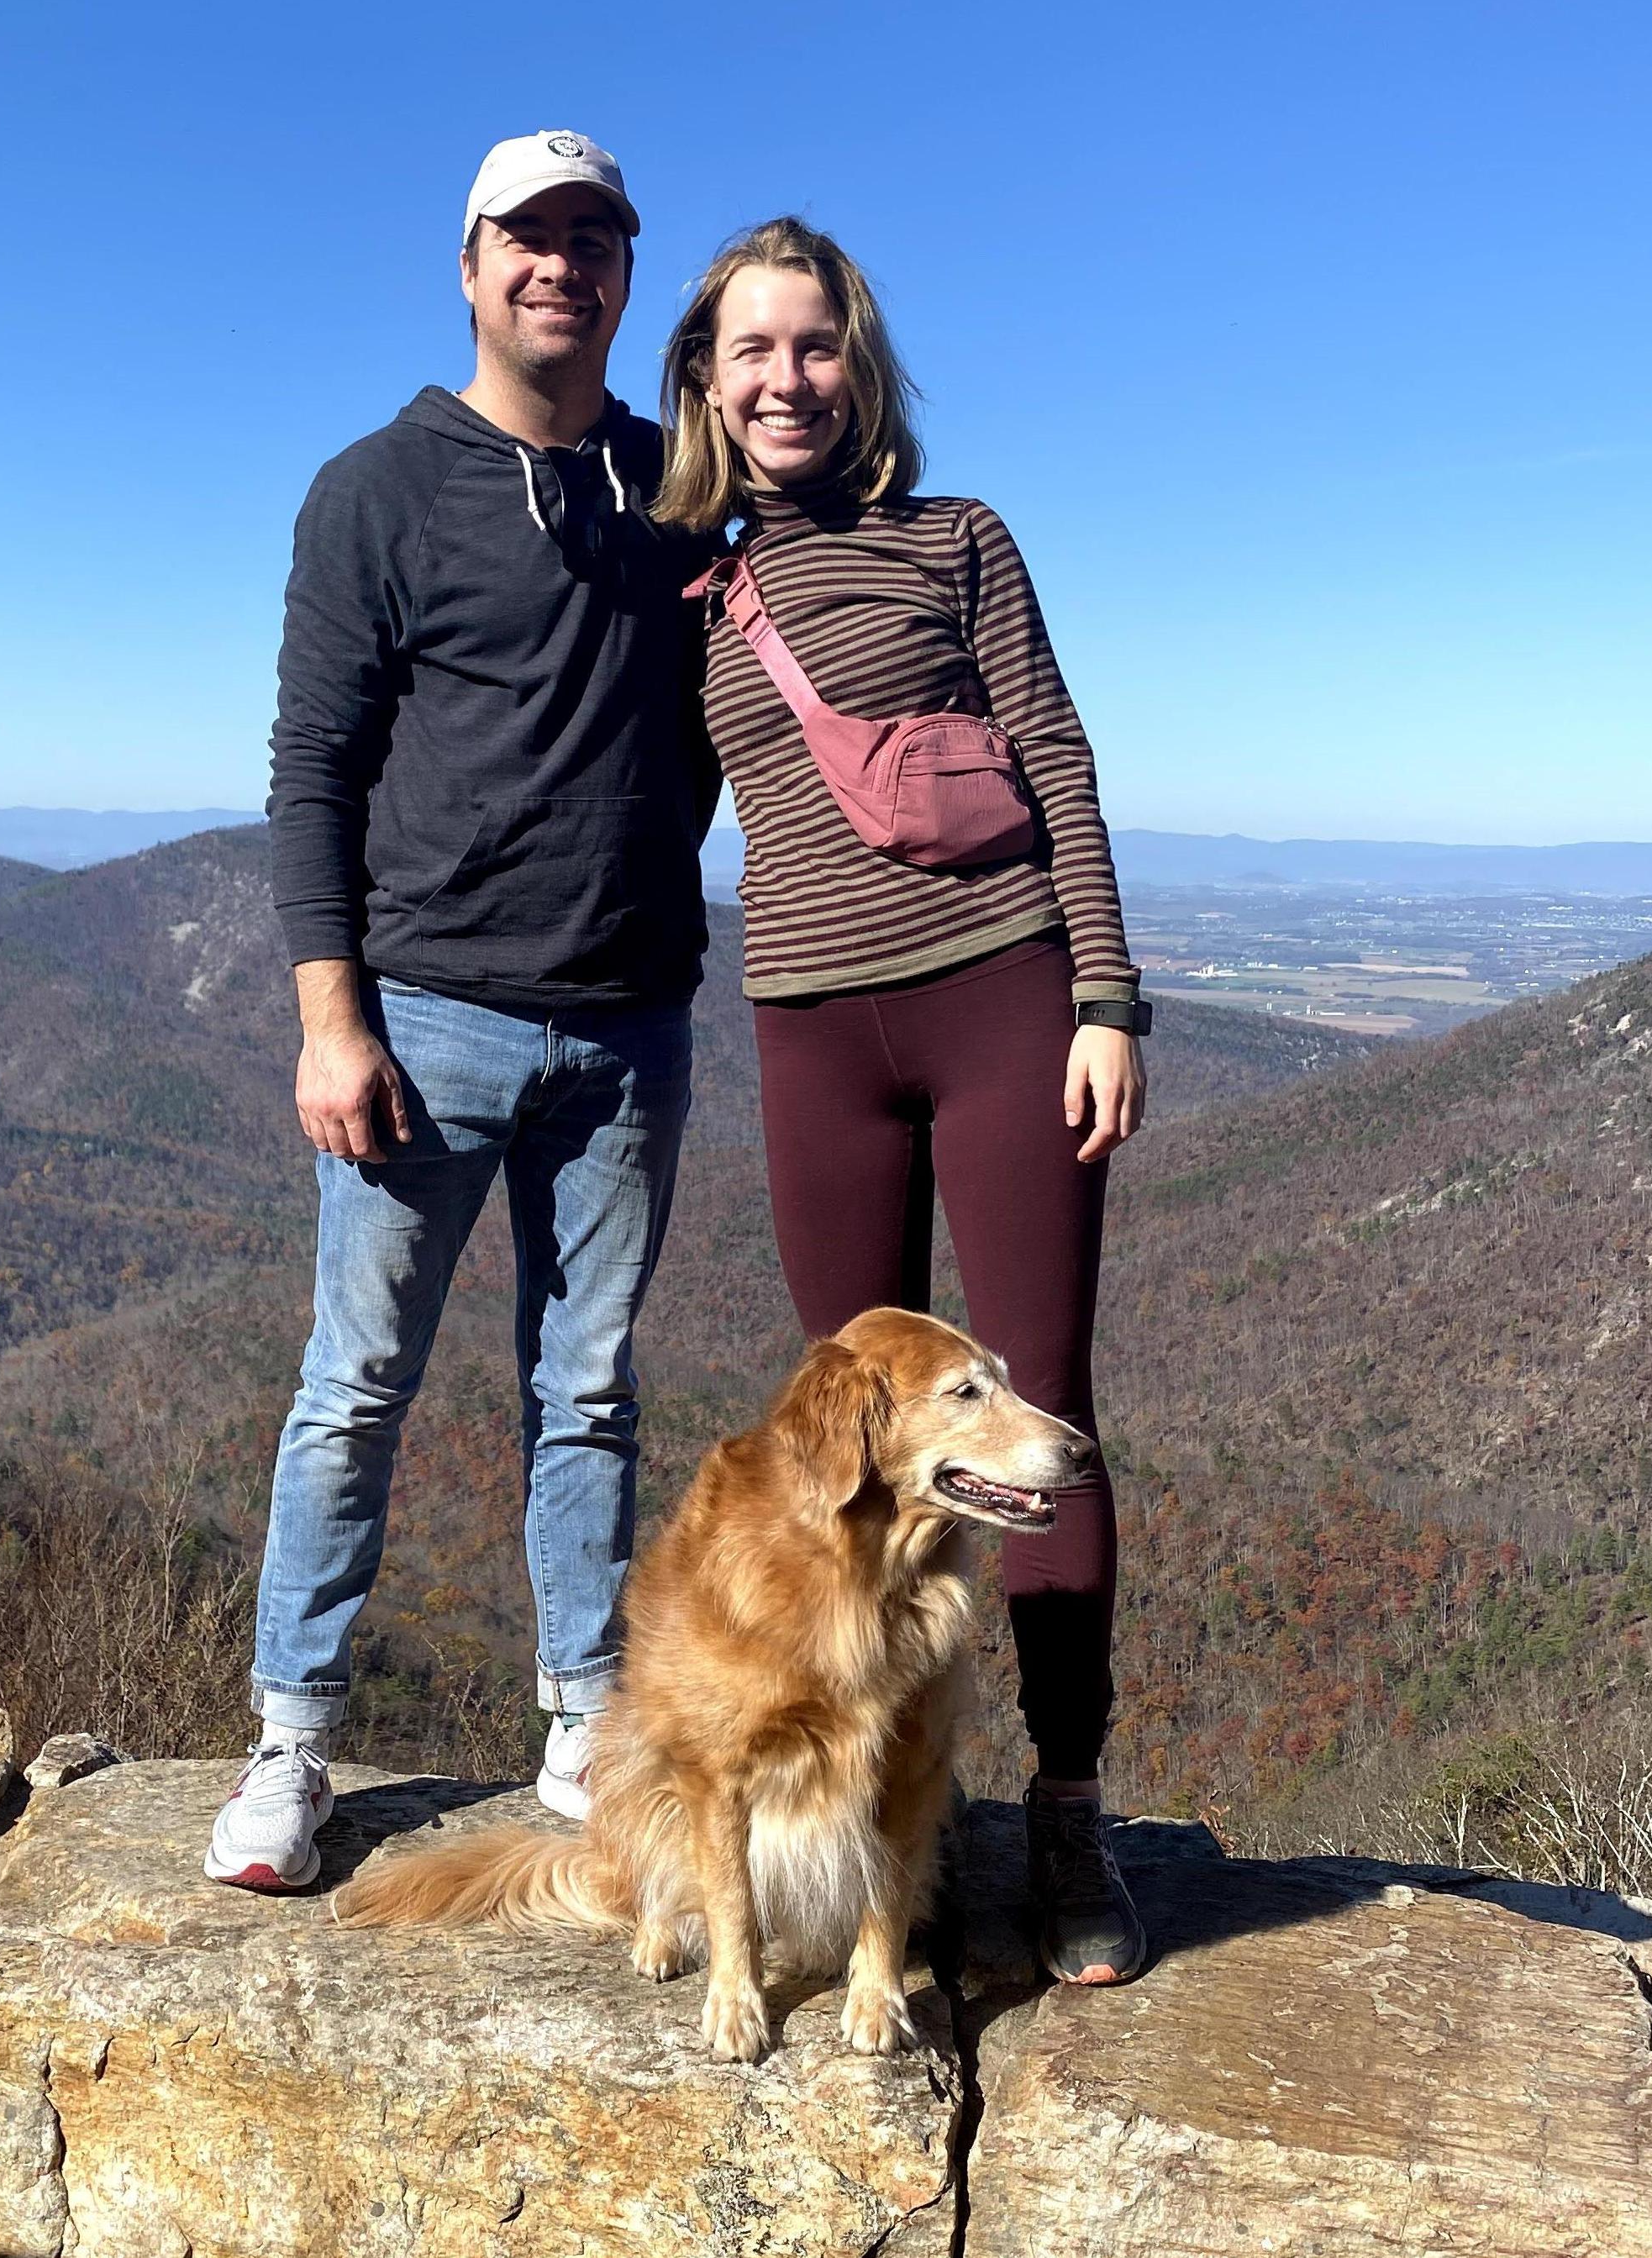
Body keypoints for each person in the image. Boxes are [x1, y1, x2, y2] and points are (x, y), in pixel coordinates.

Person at [207, 132, 718, 1892]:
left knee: (585, 1389)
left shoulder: (675, 491)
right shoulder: (376, 488)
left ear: (622, 274)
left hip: (627, 1025)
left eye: (593, 240)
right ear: (468, 261)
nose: (559, 267)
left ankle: (582, 1713)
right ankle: (291, 1741)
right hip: (421, 1019)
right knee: (355, 1385)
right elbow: (310, 770)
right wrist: (328, 1016)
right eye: (527, 238)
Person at [657, 218, 1152, 1985]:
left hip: (1003, 993)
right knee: (847, 1441)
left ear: (856, 366)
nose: (783, 379)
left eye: (814, 345)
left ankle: (1070, 1827)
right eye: (749, 351)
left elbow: (1054, 753)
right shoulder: (693, 582)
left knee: (1038, 1415)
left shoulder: (957, 541)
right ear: (705, 385)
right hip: (807, 1034)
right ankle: (881, 1825)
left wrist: (1102, 991)